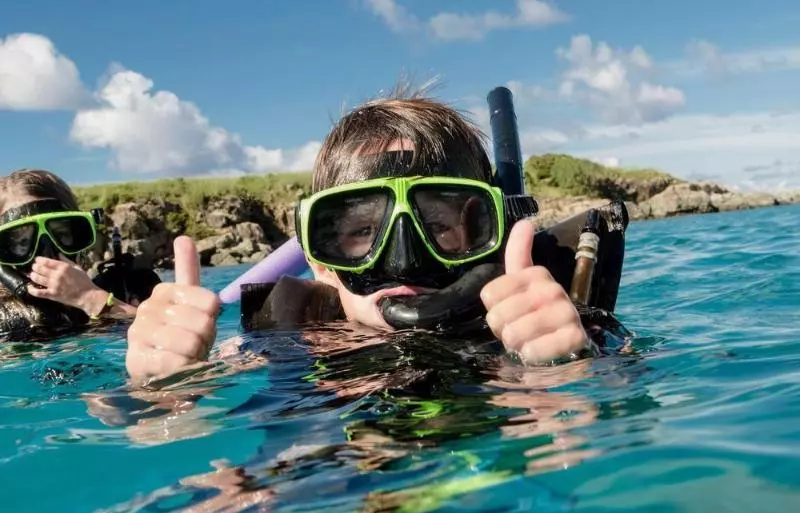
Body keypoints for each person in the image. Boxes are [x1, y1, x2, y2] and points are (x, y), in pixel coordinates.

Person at [125, 90, 600, 383]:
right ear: (319, 260)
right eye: (362, 231)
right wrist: (162, 385)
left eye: (438, 226)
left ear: (487, 237)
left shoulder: (557, 331)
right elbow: (131, 420)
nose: (402, 261)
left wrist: (569, 369)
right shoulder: (274, 346)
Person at [0, 169, 139, 339]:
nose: (47, 255)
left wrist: (91, 298)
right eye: (23, 242)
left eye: (61, 234)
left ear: (77, 234)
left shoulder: (127, 291)